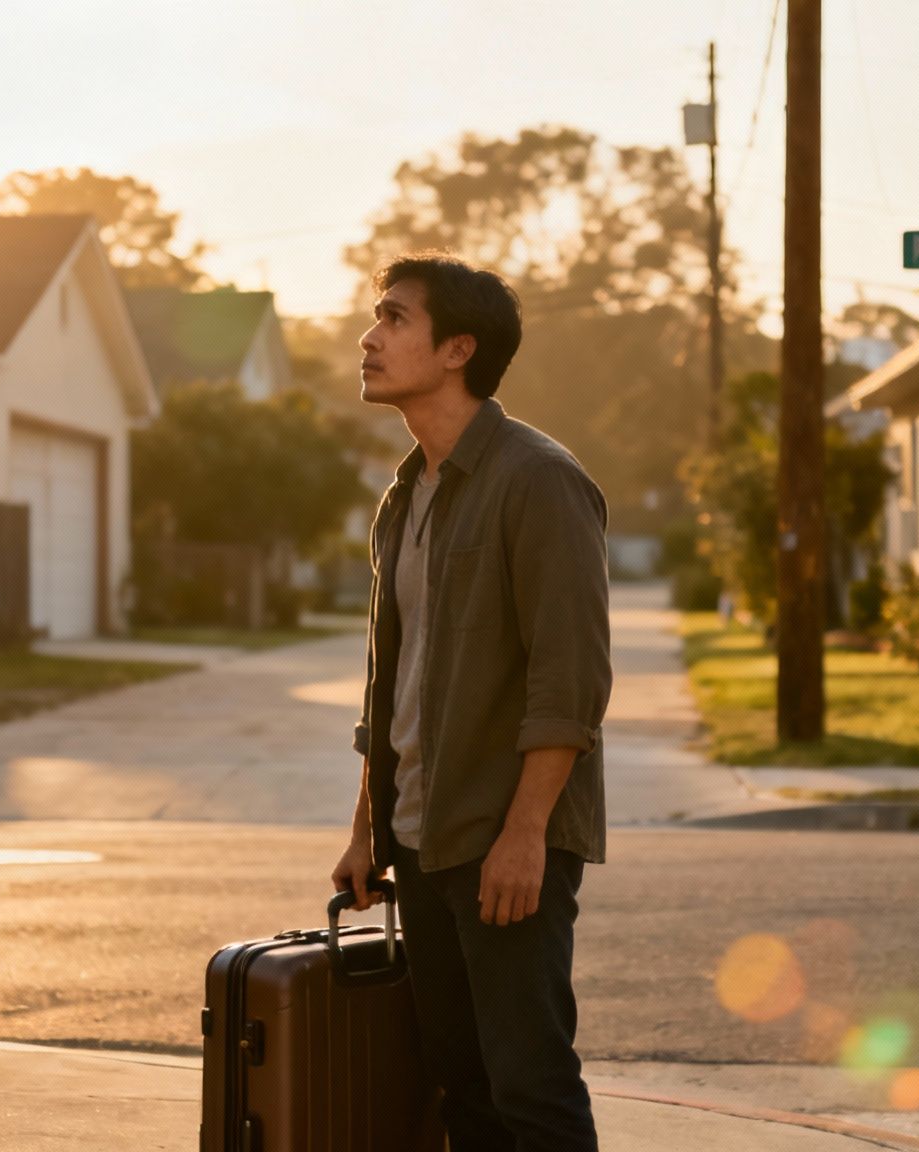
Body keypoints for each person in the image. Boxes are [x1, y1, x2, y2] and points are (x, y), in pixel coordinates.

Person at [330, 251, 611, 1152]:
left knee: (530, 1085)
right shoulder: (405, 496)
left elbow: (569, 682)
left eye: (393, 318)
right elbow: (394, 682)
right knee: (464, 1084)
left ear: (459, 349)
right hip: (421, 835)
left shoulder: (538, 480)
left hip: (504, 839)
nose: (369, 338)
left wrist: (527, 834)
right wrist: (368, 824)